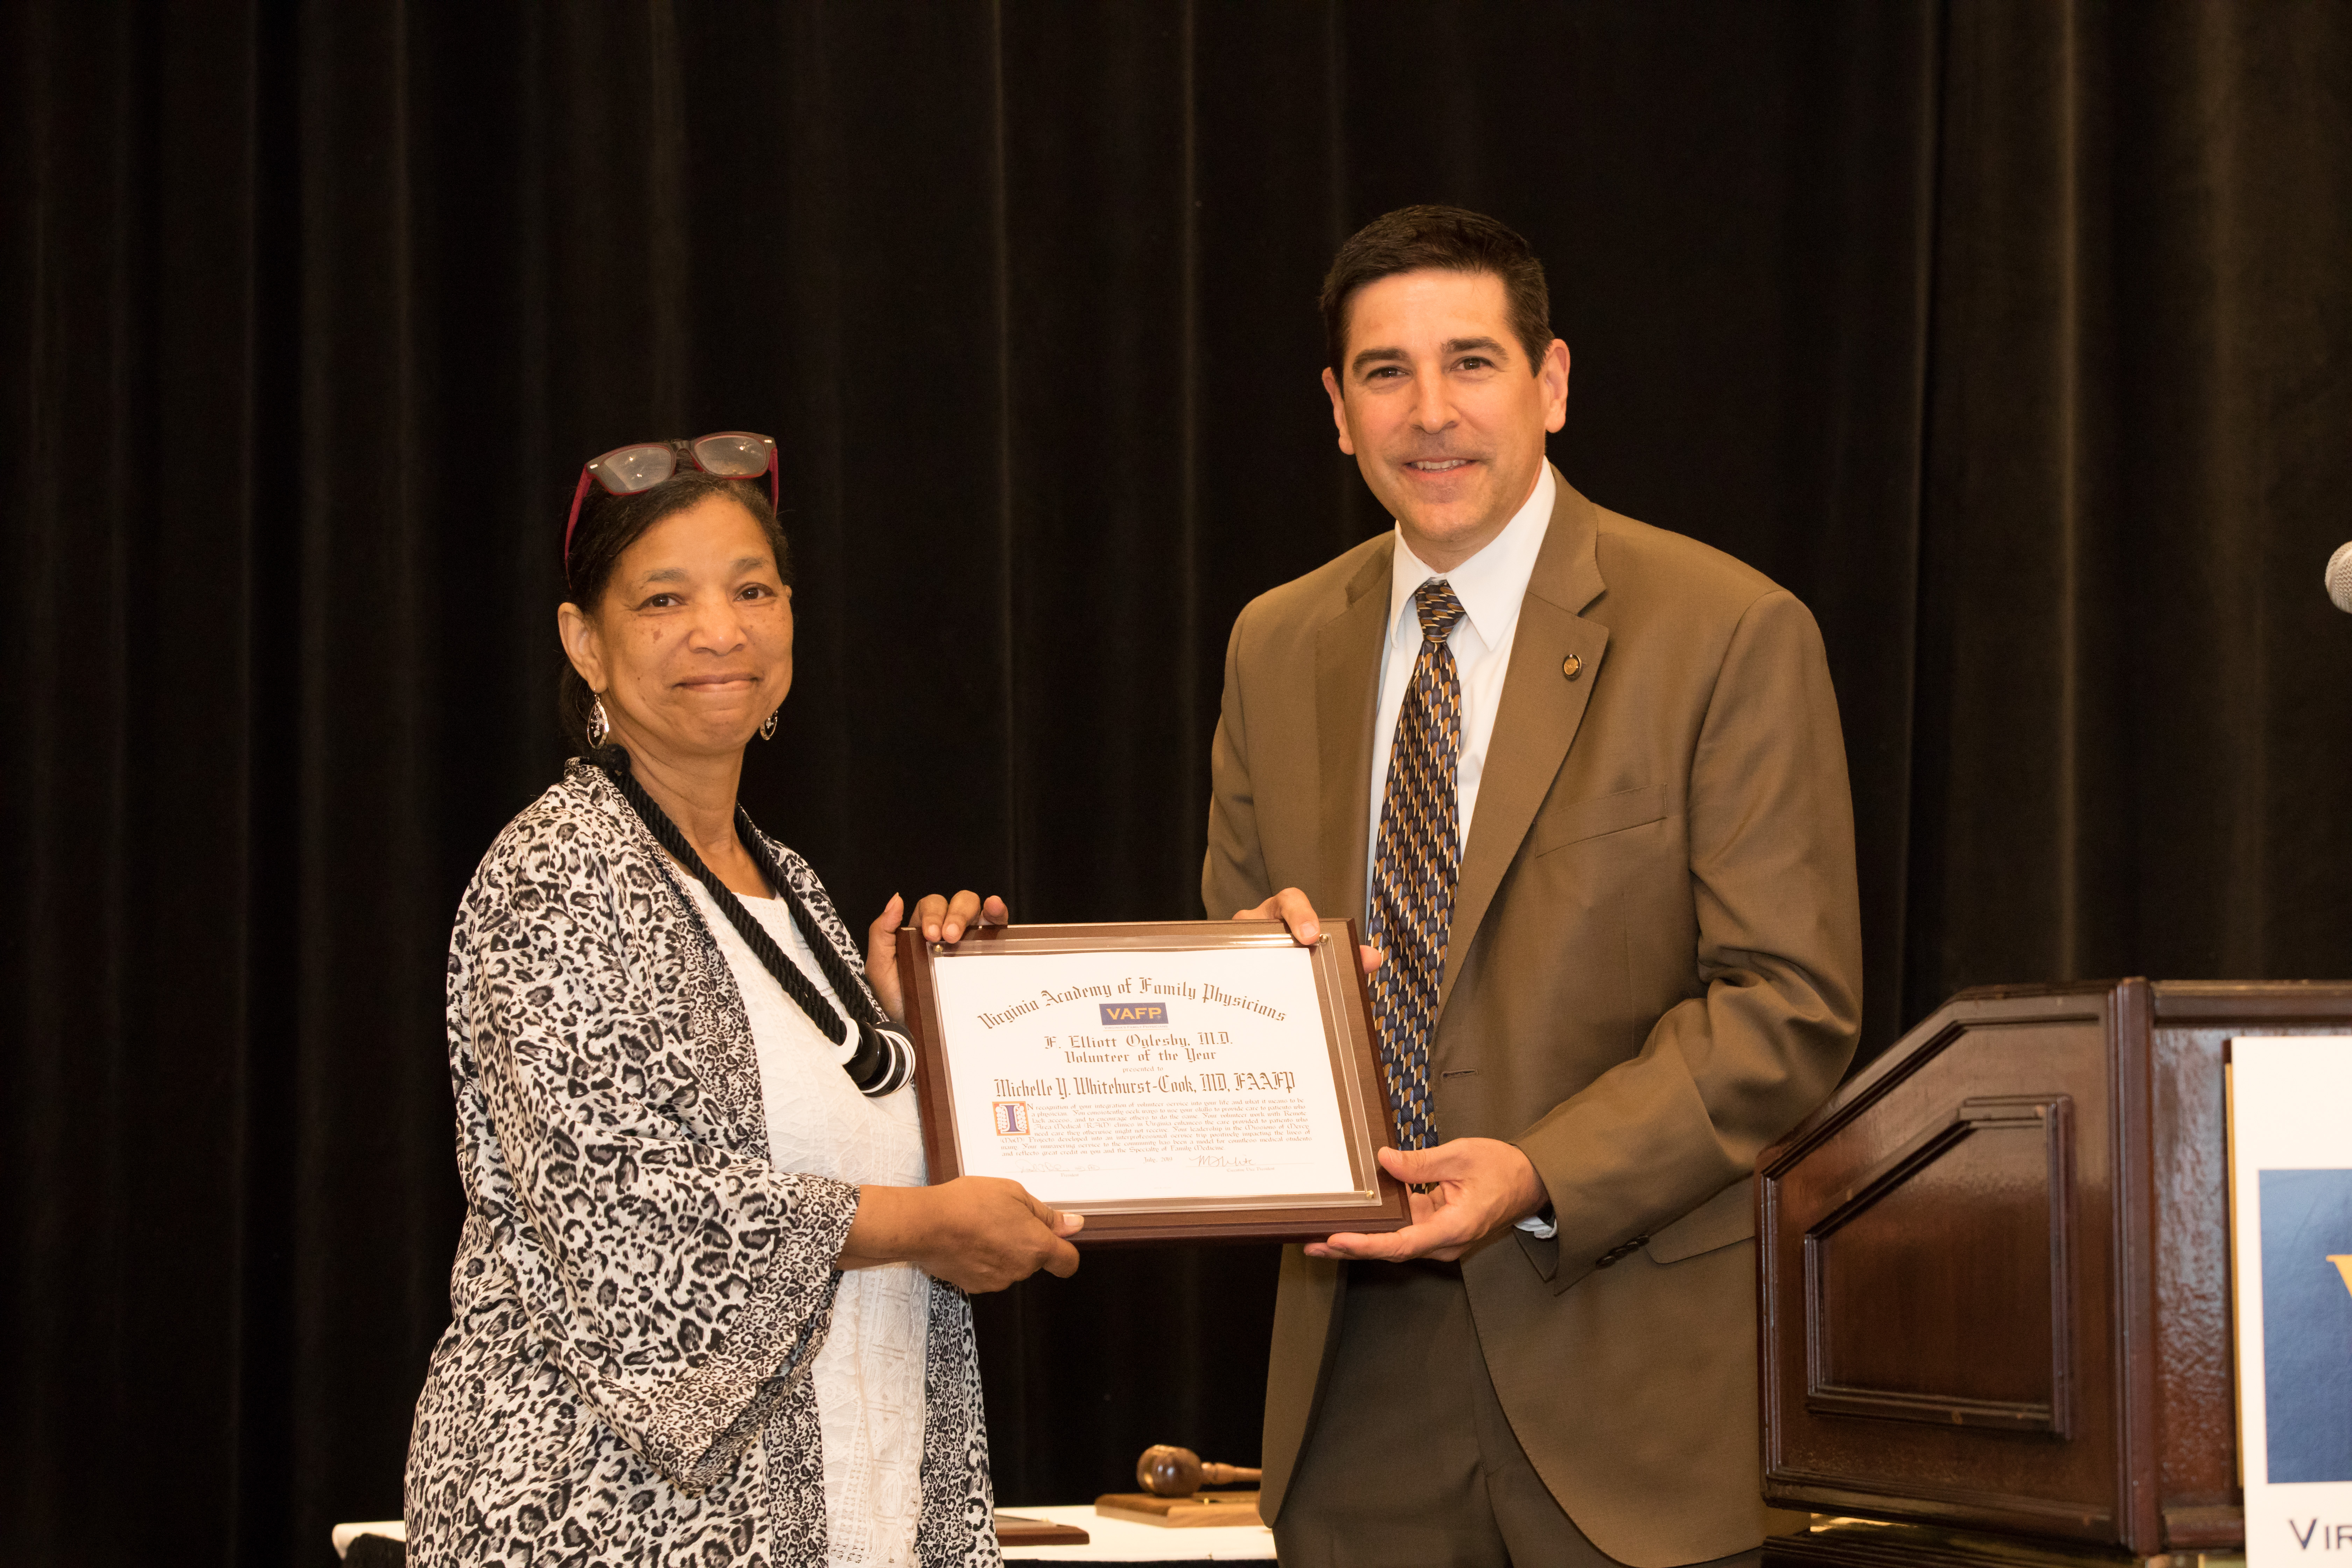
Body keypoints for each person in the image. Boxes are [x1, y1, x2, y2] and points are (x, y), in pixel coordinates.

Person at [1204, 208, 1864, 1567]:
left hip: (1630, 1402)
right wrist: (1247, 997)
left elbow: (1787, 1010)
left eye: (1472, 362)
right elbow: (1235, 951)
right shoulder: (1274, 645)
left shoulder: (1727, 632)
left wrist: (1537, 1173)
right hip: (1352, 1409)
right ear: (1336, 411)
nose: (1430, 412)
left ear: (1552, 383)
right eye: (1384, 372)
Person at [405, 432, 1080, 1567]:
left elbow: (830, 1153)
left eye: (752, 590)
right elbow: (632, 1216)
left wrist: (926, 1034)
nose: (720, 631)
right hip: (604, 1522)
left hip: (852, 1499)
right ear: (586, 644)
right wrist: (930, 1225)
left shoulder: (793, 888)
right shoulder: (559, 872)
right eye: (663, 599)